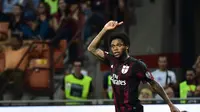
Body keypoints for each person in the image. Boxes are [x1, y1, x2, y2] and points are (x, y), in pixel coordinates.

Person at [87, 20, 180, 112]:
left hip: (133, 110)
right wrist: (105, 29)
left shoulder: (136, 65)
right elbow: (91, 48)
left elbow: (154, 84)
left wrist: (170, 104)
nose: (115, 48)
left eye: (119, 45)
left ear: (126, 46)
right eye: (113, 46)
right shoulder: (112, 60)